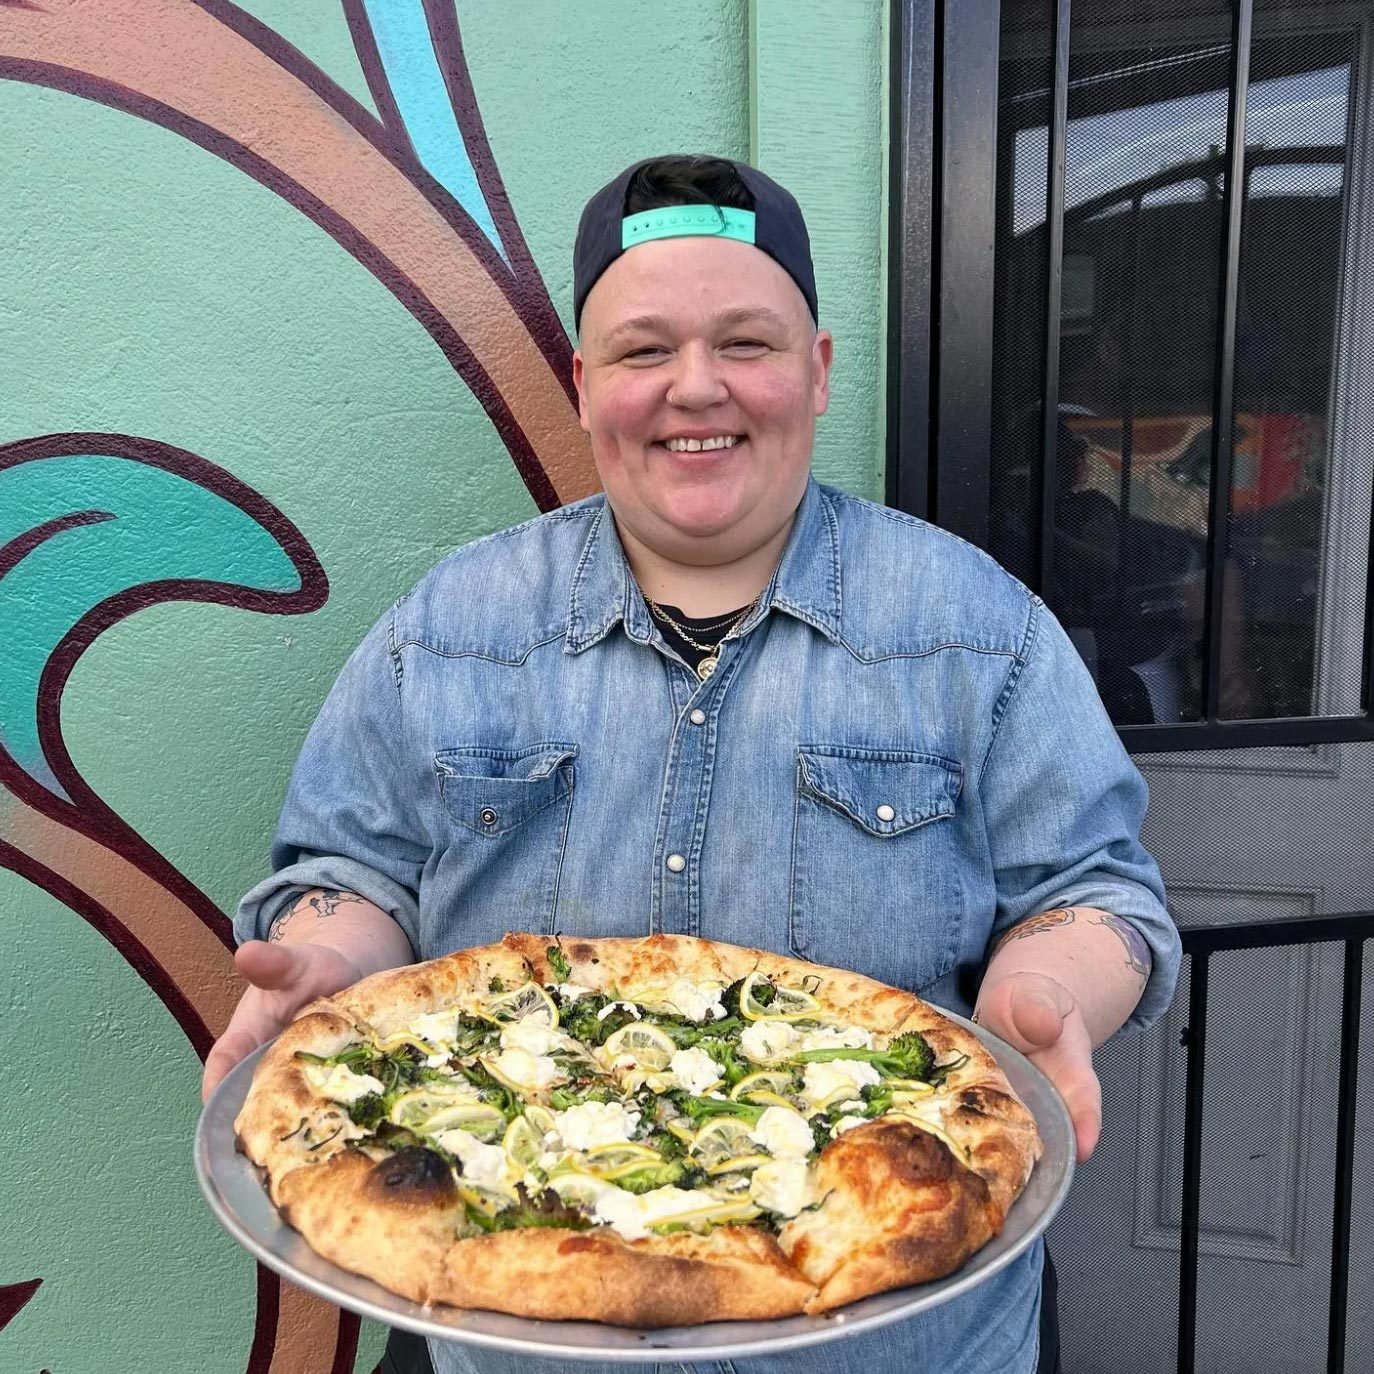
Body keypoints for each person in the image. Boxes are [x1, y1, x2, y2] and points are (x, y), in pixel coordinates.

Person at [204, 155, 1181, 1374]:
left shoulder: (978, 628)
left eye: (746, 343)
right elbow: (353, 874)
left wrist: (1050, 992)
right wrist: (331, 963)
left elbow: (1097, 894)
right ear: (584, 384)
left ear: (817, 369)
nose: (696, 387)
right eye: (644, 349)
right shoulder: (448, 626)